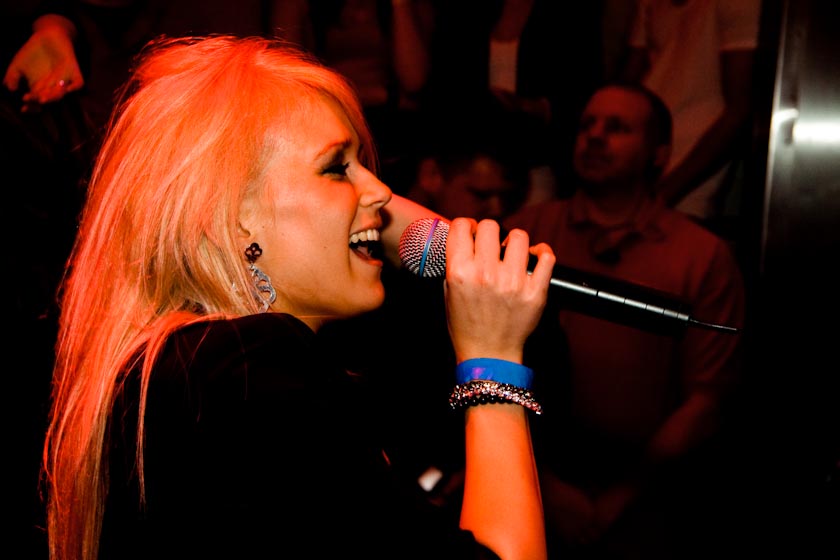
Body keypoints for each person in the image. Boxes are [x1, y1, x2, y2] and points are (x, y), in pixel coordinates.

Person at [42, 34, 556, 560]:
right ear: (234, 218)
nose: (381, 191)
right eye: (336, 167)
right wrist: (493, 361)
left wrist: (439, 243)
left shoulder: (179, 368)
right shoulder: (244, 372)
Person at [504, 83, 746, 558]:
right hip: (526, 484)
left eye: (616, 128)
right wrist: (542, 481)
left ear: (659, 154)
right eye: (587, 125)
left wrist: (624, 495)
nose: (594, 137)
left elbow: (707, 400)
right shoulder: (526, 232)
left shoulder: (702, 255)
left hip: (650, 506)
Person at [619, 0, 762, 237]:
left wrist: (663, 194)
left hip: (689, 182)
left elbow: (739, 110)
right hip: (637, 170)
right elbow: (625, 87)